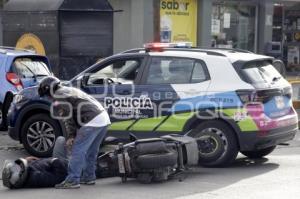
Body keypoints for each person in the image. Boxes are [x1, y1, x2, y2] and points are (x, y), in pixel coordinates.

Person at [38, 76, 111, 189]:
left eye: (47, 96)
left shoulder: (58, 97)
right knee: (91, 151)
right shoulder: (68, 90)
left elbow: (67, 118)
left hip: (91, 120)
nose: (48, 99)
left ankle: (72, 180)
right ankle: (88, 177)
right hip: (103, 118)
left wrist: (71, 136)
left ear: (49, 91)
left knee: (77, 150)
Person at [2, 137, 69, 189]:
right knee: (63, 140)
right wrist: (54, 161)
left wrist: (26, 160)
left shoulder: (26, 172)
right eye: (16, 168)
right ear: (20, 175)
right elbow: (60, 176)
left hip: (55, 161)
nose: (18, 166)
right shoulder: (36, 178)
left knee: (61, 139)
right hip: (66, 167)